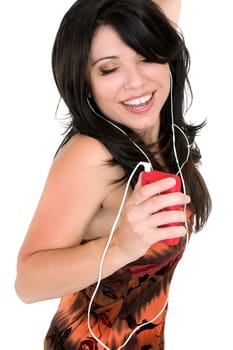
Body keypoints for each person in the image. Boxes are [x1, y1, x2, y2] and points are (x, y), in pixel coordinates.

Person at [15, 0, 211, 349]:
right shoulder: (92, 155)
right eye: (108, 69)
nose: (135, 82)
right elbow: (27, 283)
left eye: (146, 56)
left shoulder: (160, 134)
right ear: (85, 81)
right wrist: (120, 247)